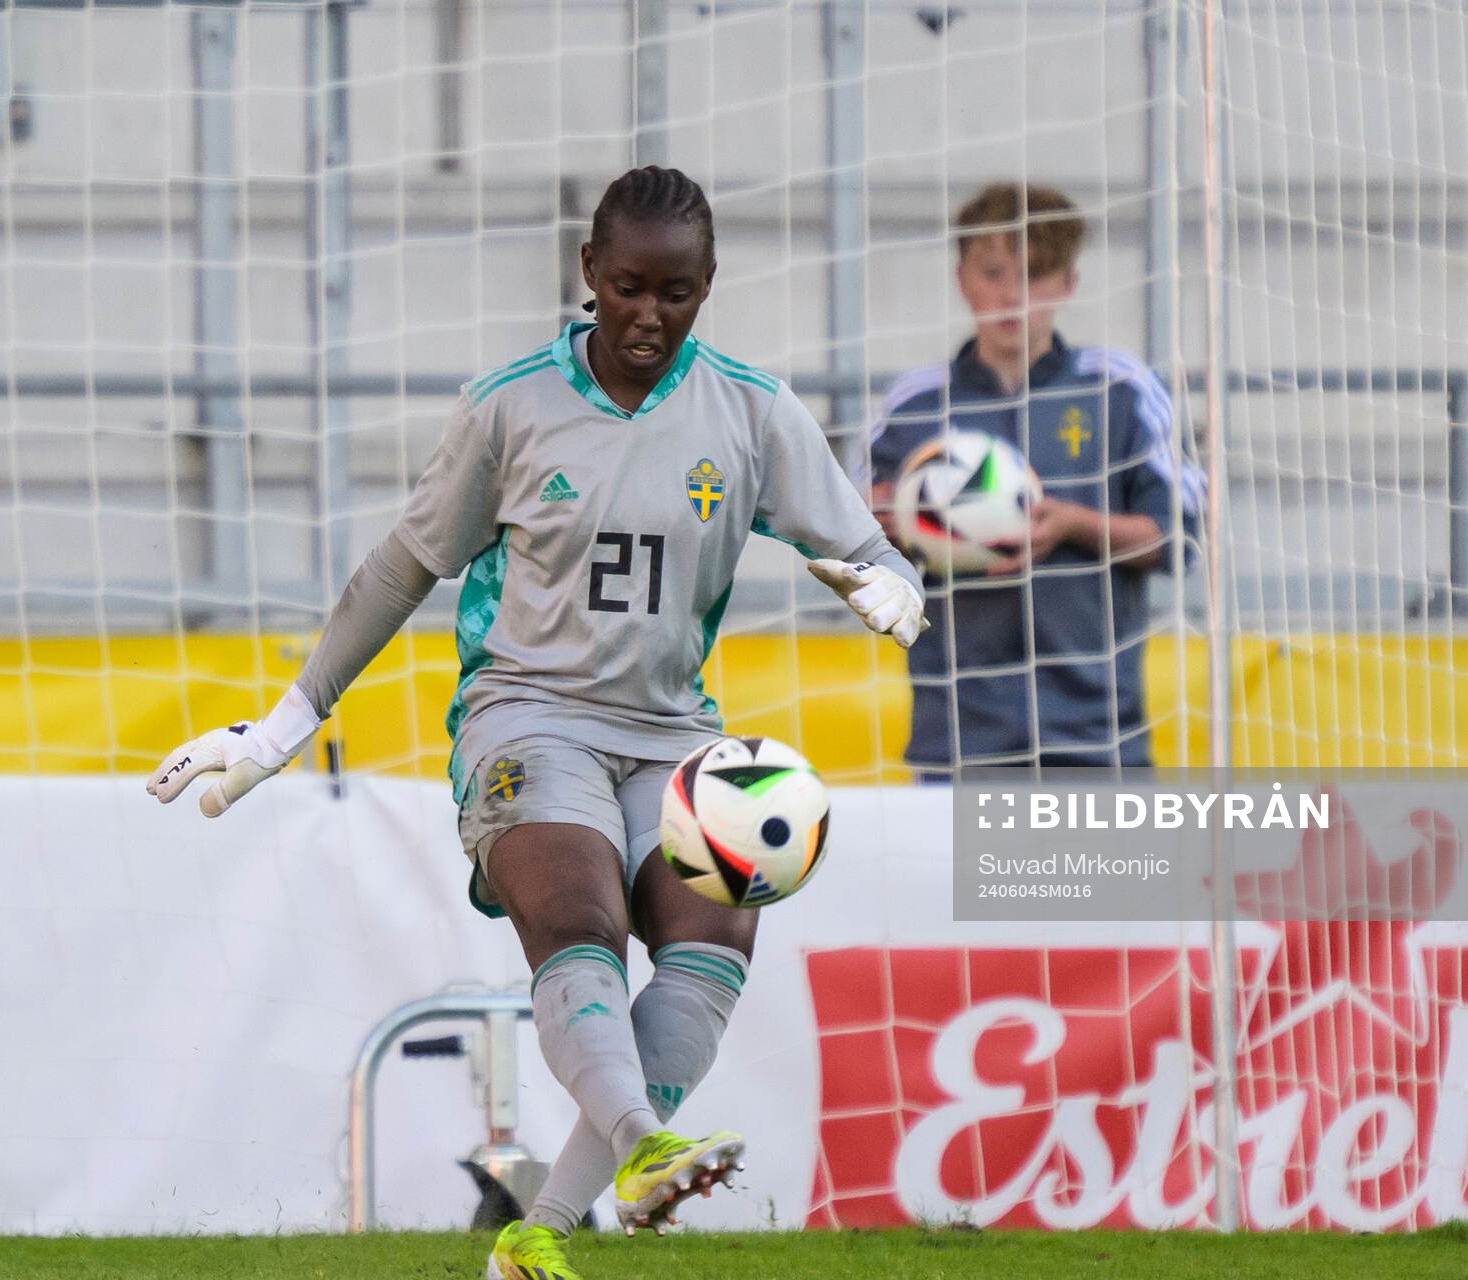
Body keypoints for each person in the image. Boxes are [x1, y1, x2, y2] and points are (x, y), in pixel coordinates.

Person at [146, 167, 925, 1280]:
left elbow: (871, 549)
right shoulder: (511, 405)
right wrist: (281, 725)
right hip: (526, 713)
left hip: (671, 731)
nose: (650, 315)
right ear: (588, 276)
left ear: (708, 288)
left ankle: (537, 1232)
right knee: (582, 916)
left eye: (679, 291)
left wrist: (893, 585)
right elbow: (400, 569)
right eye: (628, 288)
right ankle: (645, 1144)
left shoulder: (750, 410)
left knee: (717, 937)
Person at [868, 182, 1204, 775]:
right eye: (993, 273)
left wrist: (1074, 525)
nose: (1011, 296)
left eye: (1034, 275)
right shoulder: (912, 406)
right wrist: (892, 526)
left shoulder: (1120, 390)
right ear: (962, 279)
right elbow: (855, 550)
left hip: (1097, 737)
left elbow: (1179, 537)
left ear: (1068, 283)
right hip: (958, 737)